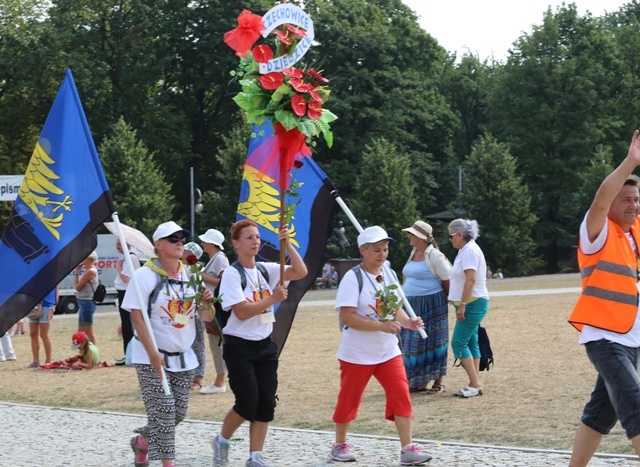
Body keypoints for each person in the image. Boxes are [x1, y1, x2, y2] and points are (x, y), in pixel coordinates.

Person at [329, 226, 432, 465]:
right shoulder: (352, 277)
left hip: (387, 351)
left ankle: (407, 448)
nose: (382, 254)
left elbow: (395, 310)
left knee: (401, 394)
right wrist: (381, 326)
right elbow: (348, 317)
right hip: (357, 353)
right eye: (376, 250)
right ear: (362, 251)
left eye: (385, 249)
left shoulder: (389, 273)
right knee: (349, 399)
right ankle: (339, 444)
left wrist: (409, 323)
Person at [567, 131, 640, 466]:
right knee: (636, 406)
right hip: (606, 339)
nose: (633, 205)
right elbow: (599, 200)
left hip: (630, 339)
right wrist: (630, 162)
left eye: (637, 200)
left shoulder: (632, 235)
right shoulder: (597, 231)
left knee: (600, 414)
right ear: (611, 203)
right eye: (626, 199)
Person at [211, 220, 307, 467]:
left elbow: (300, 271)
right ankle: (222, 440)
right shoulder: (232, 273)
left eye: (257, 237)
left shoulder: (266, 269)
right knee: (247, 403)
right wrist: (272, 298)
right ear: (235, 243)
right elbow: (241, 312)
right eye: (249, 238)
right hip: (239, 346)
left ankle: (256, 457)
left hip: (265, 344)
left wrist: (286, 244)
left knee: (266, 403)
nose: (255, 242)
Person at [122, 221, 215, 467]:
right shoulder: (143, 275)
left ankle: (142, 441)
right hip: (150, 355)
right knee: (164, 411)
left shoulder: (191, 275)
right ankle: (167, 463)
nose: (180, 243)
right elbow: (137, 317)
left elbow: (206, 317)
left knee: (178, 413)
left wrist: (207, 301)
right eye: (173, 240)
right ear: (158, 246)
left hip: (184, 356)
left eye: (181, 239)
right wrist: (152, 353)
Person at [400, 220, 451, 394]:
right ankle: (416, 381)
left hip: (432, 304)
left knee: (435, 341)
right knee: (411, 343)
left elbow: (448, 279)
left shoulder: (434, 255)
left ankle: (437, 382)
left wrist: (447, 302)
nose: (409, 237)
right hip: (411, 304)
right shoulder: (413, 252)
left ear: (421, 238)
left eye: (412, 234)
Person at [447, 219, 489, 398]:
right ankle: (475, 382)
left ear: (459, 235)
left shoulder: (470, 251)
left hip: (472, 303)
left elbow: (471, 279)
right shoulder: (466, 250)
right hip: (470, 302)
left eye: (451, 236)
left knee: (458, 342)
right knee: (472, 342)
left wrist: (462, 305)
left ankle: (475, 383)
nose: (450, 240)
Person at [199, 228, 230, 395]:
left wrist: (204, 277)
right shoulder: (215, 259)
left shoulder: (219, 259)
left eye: (205, 241)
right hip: (212, 306)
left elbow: (225, 282)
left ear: (211, 243)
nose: (202, 243)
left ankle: (220, 382)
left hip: (216, 306)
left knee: (217, 344)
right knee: (216, 344)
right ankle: (221, 379)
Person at [182, 241, 207, 391]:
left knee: (198, 344)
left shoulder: (195, 270)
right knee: (185, 341)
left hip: (196, 312)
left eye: (185, 252)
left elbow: (199, 290)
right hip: (183, 312)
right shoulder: (182, 268)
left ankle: (198, 378)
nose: (182, 254)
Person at [114, 238, 141, 365]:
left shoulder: (131, 258)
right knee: (126, 324)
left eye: (119, 243)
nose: (117, 246)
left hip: (127, 292)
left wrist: (118, 267)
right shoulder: (126, 257)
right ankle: (128, 353)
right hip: (124, 293)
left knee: (128, 324)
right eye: (117, 243)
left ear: (128, 244)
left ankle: (131, 354)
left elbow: (125, 278)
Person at [27, 288, 58, 368]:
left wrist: (52, 308)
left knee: (43, 334)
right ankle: (35, 361)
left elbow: (56, 293)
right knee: (33, 334)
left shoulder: (53, 276)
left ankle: (48, 361)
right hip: (34, 305)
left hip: (47, 305)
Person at [74, 250, 99, 344]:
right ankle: (83, 353)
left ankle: (94, 354)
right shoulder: (88, 271)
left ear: (89, 258)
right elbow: (77, 286)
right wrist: (77, 271)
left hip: (86, 302)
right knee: (80, 331)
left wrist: (77, 273)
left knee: (88, 332)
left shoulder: (90, 271)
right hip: (83, 302)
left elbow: (77, 287)